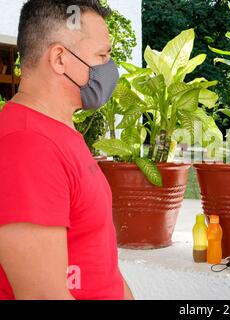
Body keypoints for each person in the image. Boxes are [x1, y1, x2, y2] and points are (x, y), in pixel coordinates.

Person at [0, 0, 133, 300]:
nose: (110, 69)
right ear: (60, 58)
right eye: (102, 56)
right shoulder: (26, 145)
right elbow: (43, 295)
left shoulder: (59, 131)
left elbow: (100, 265)